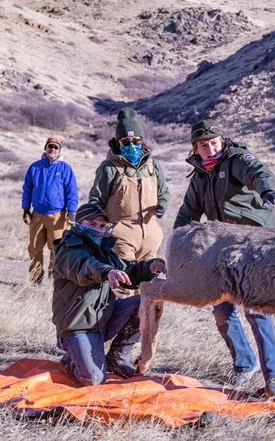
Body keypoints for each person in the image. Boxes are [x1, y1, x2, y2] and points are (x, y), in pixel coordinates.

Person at [173, 119, 275, 397]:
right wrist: (175, 246)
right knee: (222, 308)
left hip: (256, 245)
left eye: (214, 142)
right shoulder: (201, 177)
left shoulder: (236, 160)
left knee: (256, 310)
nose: (210, 148)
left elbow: (256, 170)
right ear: (195, 148)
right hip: (225, 249)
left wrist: (266, 188)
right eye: (203, 145)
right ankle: (244, 363)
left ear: (222, 141)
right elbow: (187, 213)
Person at [52, 202, 166, 386]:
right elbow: (84, 266)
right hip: (77, 326)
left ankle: (116, 357)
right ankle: (73, 357)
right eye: (92, 224)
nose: (98, 229)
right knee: (94, 380)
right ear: (78, 224)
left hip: (102, 320)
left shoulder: (104, 250)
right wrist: (107, 272)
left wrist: (150, 267)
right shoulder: (68, 249)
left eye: (102, 226)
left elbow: (129, 272)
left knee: (144, 303)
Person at [88, 107, 169, 264]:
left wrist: (163, 204)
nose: (131, 145)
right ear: (118, 143)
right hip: (120, 237)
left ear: (142, 141)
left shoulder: (154, 166)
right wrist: (95, 230)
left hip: (150, 236)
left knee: (147, 284)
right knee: (124, 283)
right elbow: (96, 200)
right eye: (126, 142)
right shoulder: (109, 168)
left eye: (136, 141)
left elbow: (164, 192)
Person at [22, 136, 78, 285]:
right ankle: (35, 280)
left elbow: (71, 191)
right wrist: (26, 209)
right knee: (34, 248)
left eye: (55, 147)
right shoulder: (35, 167)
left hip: (58, 216)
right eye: (50, 147)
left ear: (59, 150)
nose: (52, 149)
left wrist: (71, 211)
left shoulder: (65, 168)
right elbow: (27, 189)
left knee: (57, 250)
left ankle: (56, 282)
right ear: (45, 148)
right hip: (37, 215)